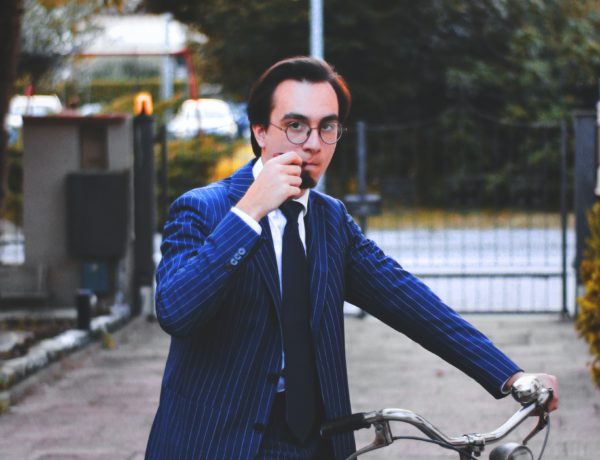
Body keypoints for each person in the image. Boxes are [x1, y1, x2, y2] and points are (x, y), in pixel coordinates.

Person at [145, 56, 558, 460]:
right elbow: (177, 312)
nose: (312, 143)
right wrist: (249, 213)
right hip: (216, 443)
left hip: (317, 442)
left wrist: (511, 376)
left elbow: (410, 301)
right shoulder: (203, 209)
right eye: (295, 126)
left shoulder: (331, 221)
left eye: (327, 127)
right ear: (259, 131)